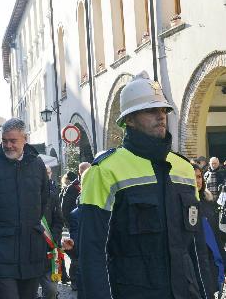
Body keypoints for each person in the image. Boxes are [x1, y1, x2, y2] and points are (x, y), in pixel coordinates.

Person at [79, 71, 215, 299]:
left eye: (163, 110)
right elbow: (93, 254)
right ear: (129, 119)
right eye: (151, 110)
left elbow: (197, 246)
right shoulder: (104, 171)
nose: (161, 116)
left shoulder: (183, 168)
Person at [0, 118, 49, 299]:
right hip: (0, 251)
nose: (8, 145)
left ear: (25, 139)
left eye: (13, 141)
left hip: (31, 250)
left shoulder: (38, 165)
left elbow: (42, 202)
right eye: (5, 141)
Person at [193, 163, 226, 294]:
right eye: (193, 177)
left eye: (199, 176)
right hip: (195, 264)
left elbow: (216, 236)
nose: (197, 180)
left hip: (211, 261)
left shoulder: (208, 202)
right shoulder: (182, 205)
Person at [61, 162, 90, 291]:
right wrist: (70, 222)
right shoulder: (73, 187)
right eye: (85, 170)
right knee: (75, 252)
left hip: (87, 219)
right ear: (80, 171)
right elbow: (65, 207)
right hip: (76, 220)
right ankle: (74, 280)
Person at [38, 165, 63, 299]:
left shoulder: (52, 196)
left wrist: (52, 237)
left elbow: (59, 220)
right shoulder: (21, 196)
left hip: (48, 250)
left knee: (51, 291)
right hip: (27, 252)